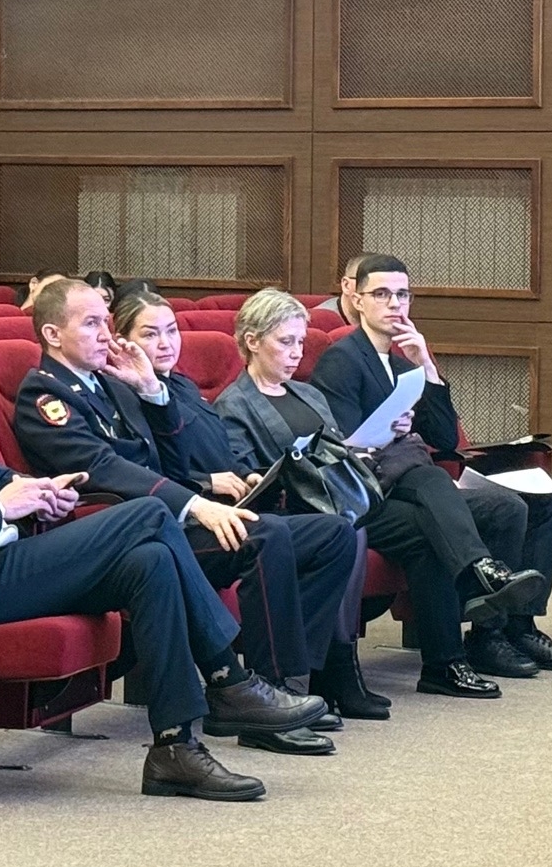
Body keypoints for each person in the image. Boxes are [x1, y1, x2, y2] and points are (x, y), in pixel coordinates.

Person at [0, 292, 326, 800]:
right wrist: (0, 507)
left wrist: (36, 489)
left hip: (7, 555)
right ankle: (228, 680)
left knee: (151, 561)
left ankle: (175, 748)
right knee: (149, 513)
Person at [12, 282, 363, 756]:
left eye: (105, 323)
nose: (106, 335)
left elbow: (170, 464)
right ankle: (263, 697)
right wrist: (198, 504)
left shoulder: (111, 382)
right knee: (265, 535)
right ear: (53, 334)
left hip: (165, 518)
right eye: (91, 323)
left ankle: (289, 684)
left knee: (334, 534)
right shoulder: (45, 395)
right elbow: (104, 468)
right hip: (119, 534)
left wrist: (152, 393)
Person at [218, 288, 517, 703]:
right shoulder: (234, 405)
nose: (296, 353)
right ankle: (342, 671)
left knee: (428, 528)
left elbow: (338, 451)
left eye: (300, 342)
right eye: (285, 342)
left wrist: (374, 439)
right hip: (301, 509)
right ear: (252, 341)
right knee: (419, 519)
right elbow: (247, 473)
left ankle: (443, 663)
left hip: (347, 496)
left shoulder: (308, 394)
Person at [122, 291, 391, 720]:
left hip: (229, 506)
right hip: (182, 519)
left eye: (171, 331)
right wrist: (205, 482)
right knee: (272, 532)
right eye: (150, 334)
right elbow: (145, 468)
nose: (166, 343)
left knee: (338, 531)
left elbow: (211, 452)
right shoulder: (132, 394)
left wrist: (241, 475)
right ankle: (271, 688)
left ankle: (302, 678)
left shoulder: (183, 387)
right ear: (123, 343)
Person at [320, 253, 552, 678]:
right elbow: (345, 443)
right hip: (376, 488)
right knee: (445, 487)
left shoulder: (404, 363)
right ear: (357, 299)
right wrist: (390, 430)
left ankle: (503, 630)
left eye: (402, 295)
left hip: (414, 479)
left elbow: (444, 439)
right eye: (382, 294)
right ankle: (483, 590)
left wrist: (426, 364)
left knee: (520, 504)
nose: (394, 304)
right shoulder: (342, 358)